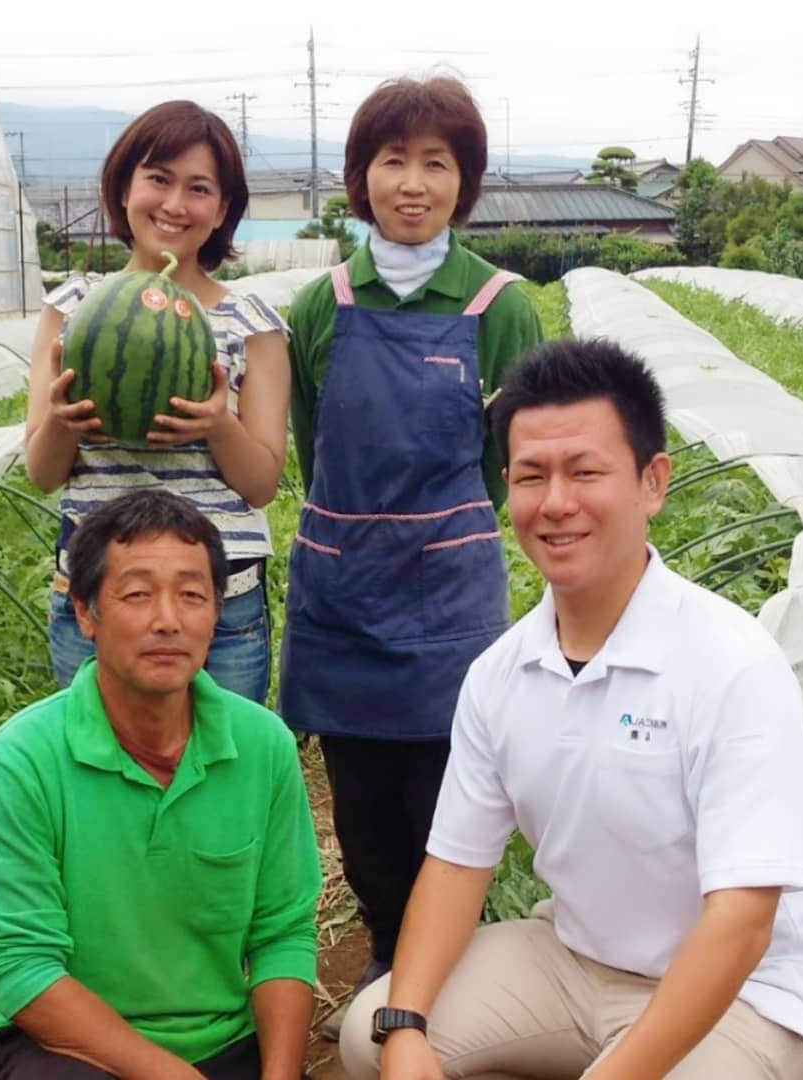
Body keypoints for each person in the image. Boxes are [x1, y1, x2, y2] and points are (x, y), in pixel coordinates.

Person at [340, 338, 803, 1079]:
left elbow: (742, 920)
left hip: (745, 995)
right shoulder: (499, 674)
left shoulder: (731, 664)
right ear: (505, 486)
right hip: (576, 960)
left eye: (586, 472)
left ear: (652, 482)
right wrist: (405, 1021)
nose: (557, 503)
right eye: (532, 476)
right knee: (367, 1038)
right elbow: (453, 867)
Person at [278, 75, 543, 1030]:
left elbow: (505, 460)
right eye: (394, 160)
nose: (414, 181)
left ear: (463, 182)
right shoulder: (322, 302)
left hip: (448, 601)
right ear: (362, 177)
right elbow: (312, 446)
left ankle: (449, 977)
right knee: (362, 815)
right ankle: (390, 952)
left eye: (438, 162)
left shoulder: (500, 308)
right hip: (343, 596)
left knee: (450, 802)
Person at [0, 489, 321, 1080]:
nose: (167, 620)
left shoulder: (264, 746)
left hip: (220, 1042)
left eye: (192, 595)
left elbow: (283, 933)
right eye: (136, 595)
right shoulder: (20, 762)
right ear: (85, 611)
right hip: (64, 1046)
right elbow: (25, 968)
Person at [26, 100, 290, 702]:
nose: (174, 205)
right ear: (124, 187)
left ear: (222, 210)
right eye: (158, 179)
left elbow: (262, 484)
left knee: (224, 778)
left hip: (220, 609)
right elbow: (42, 473)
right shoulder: (72, 309)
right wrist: (64, 423)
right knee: (101, 782)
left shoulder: (254, 325)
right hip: (98, 604)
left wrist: (217, 424)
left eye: (199, 188)